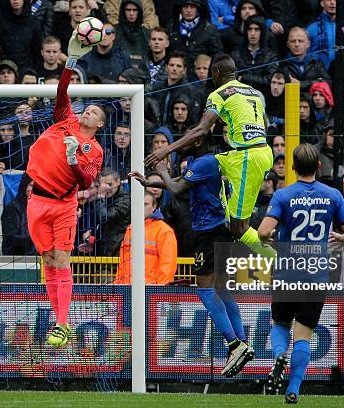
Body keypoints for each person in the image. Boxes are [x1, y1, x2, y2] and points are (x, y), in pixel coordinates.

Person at [132, 136, 257, 377]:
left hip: (209, 230)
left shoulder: (204, 161)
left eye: (189, 138)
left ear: (199, 141)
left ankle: (234, 344)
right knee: (221, 288)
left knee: (205, 289)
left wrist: (161, 170)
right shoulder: (206, 163)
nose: (182, 142)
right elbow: (181, 181)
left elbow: (178, 188)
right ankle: (241, 342)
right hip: (220, 227)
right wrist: (150, 181)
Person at [146, 53, 273, 261]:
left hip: (248, 157)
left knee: (239, 227)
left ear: (215, 72)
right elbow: (265, 124)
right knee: (208, 165)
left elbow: (200, 130)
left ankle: (278, 260)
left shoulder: (219, 94)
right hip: (249, 152)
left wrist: (166, 150)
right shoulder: (252, 92)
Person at [257, 143, 344, 404]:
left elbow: (263, 232)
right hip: (315, 274)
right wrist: (340, 237)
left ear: (292, 167)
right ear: (319, 166)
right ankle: (294, 389)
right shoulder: (333, 195)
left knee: (280, 324)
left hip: (287, 271)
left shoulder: (283, 195)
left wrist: (271, 239)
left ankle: (279, 353)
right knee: (304, 333)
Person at [26, 34, 105, 349]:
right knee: (48, 260)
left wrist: (73, 159)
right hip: (37, 200)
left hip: (63, 204)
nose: (88, 113)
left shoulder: (95, 150)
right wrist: (70, 63)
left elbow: (86, 182)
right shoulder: (66, 121)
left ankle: (62, 323)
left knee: (62, 259)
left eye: (95, 113)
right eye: (88, 109)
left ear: (100, 124)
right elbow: (61, 92)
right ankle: (59, 321)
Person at [115, 191, 178, 284]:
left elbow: (168, 265)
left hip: (151, 289)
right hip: (127, 287)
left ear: (154, 207)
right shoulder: (131, 228)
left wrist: (161, 292)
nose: (141, 207)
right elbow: (123, 262)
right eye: (139, 204)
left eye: (145, 204)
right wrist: (118, 284)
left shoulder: (164, 230)